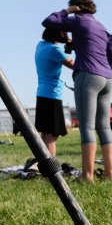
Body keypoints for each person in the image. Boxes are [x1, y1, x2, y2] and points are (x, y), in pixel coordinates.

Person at [43, 0, 112, 181]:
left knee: (87, 127)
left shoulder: (78, 20)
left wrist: (68, 11)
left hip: (87, 75)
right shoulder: (101, 26)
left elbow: (49, 21)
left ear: (77, 7)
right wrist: (102, 69)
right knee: (104, 127)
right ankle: (110, 174)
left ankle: (87, 175)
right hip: (107, 77)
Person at [34, 28, 75, 157]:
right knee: (52, 133)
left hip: (42, 92)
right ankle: (52, 170)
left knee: (45, 131)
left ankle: (42, 163)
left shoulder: (40, 45)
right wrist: (78, 46)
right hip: (52, 94)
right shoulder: (54, 49)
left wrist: (67, 44)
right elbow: (74, 64)